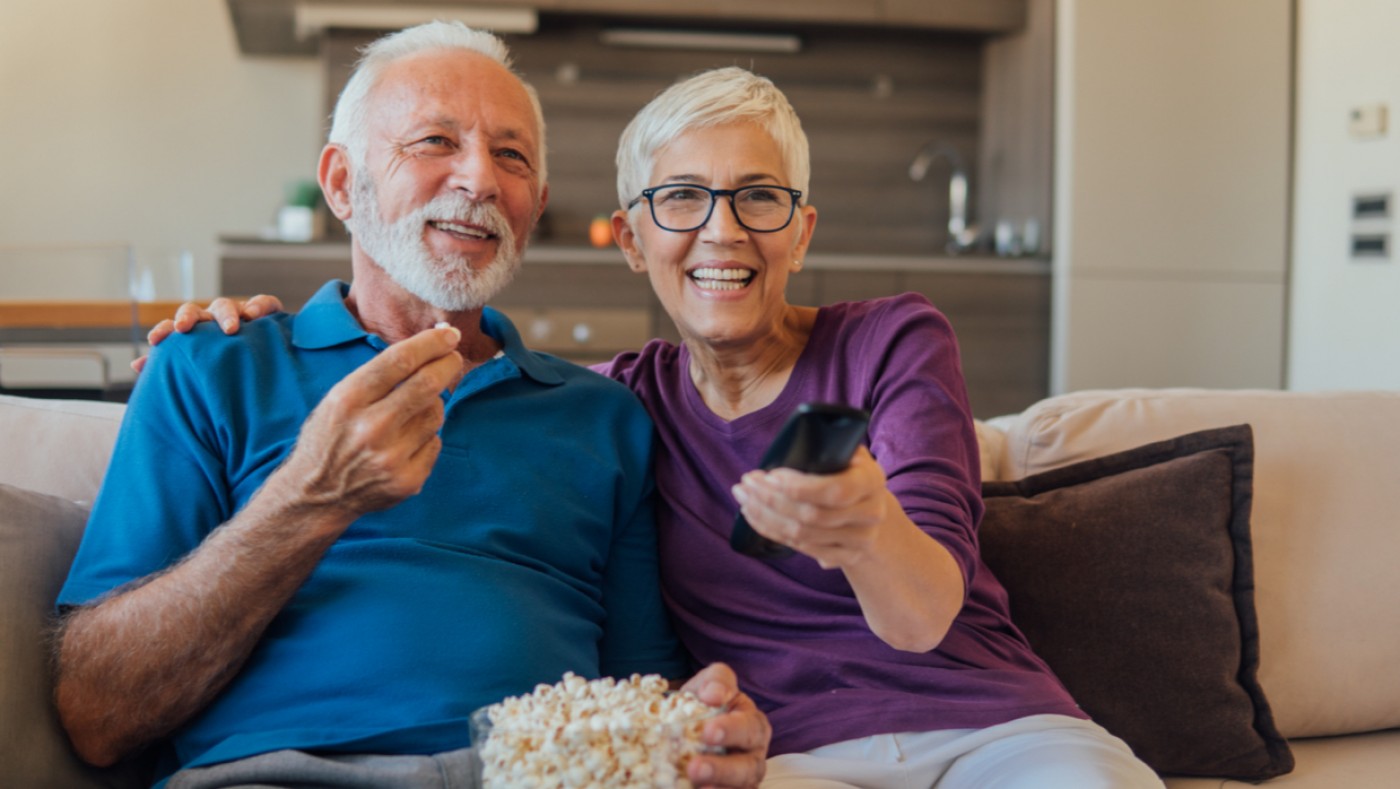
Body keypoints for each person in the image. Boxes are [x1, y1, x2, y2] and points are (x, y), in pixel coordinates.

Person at [151, 67, 1165, 788]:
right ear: (631, 241)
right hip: (792, 759)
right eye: (681, 199)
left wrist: (863, 530)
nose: (721, 231)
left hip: (992, 728)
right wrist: (246, 324)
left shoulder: (889, 341)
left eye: (757, 198)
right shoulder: (610, 405)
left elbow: (918, 616)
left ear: (799, 230)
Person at [54, 23, 769, 789]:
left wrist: (705, 730)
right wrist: (311, 497)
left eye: (512, 155)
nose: (480, 180)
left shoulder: (606, 417)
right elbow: (98, 715)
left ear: (535, 206)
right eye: (434, 141)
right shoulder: (210, 365)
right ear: (341, 183)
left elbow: (644, 692)